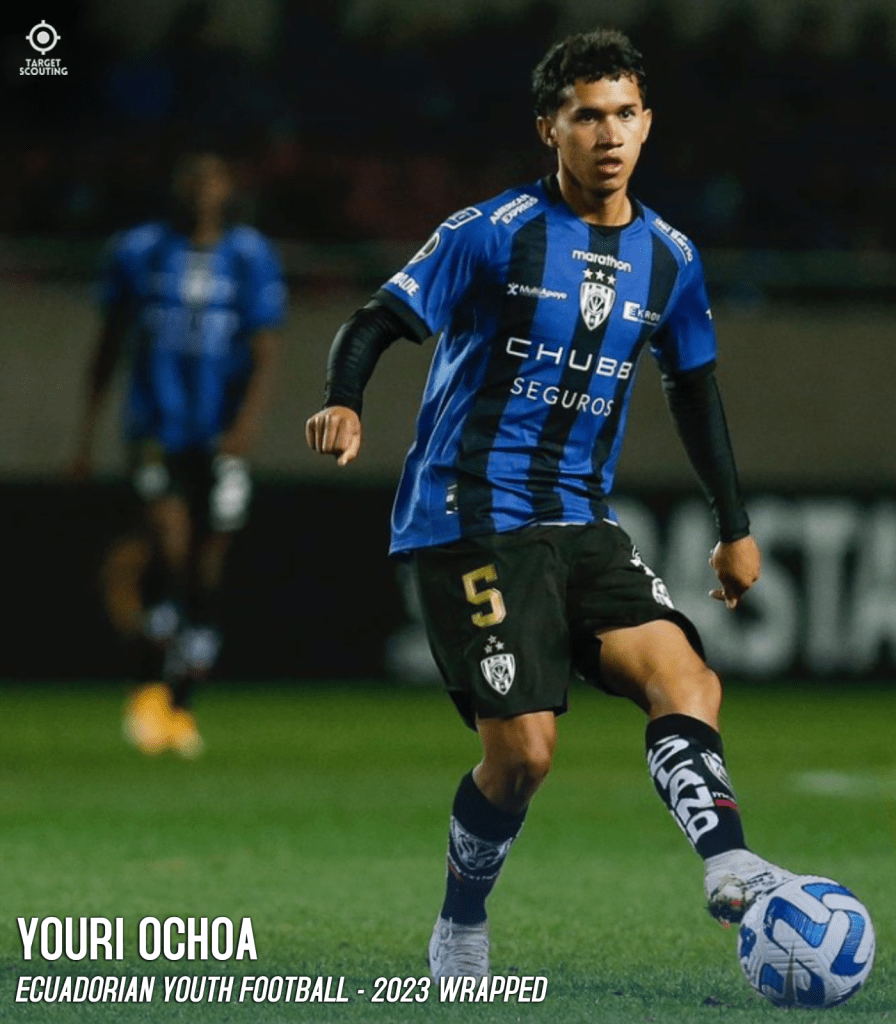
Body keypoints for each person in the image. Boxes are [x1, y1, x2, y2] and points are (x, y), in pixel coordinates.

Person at [306, 28, 792, 978]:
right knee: (525, 756)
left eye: (625, 115)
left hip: (580, 517)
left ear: (647, 124)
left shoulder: (670, 256)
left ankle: (730, 864)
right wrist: (344, 399)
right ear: (550, 128)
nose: (609, 135)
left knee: (688, 681)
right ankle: (460, 923)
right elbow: (375, 320)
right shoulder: (489, 233)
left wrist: (734, 528)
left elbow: (694, 390)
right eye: (587, 117)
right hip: (471, 516)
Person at [73, 150, 287, 757]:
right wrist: (86, 433)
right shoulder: (138, 250)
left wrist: (246, 427)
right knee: (167, 547)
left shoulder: (248, 255)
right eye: (190, 179)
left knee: (206, 568)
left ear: (227, 190)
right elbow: (110, 342)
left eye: (212, 180)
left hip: (220, 435)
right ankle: (148, 690)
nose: (200, 191)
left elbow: (265, 350)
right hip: (155, 429)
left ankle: (181, 704)